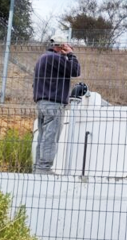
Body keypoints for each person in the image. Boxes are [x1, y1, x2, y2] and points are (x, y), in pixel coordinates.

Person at [33, 34, 81, 174]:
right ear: (61, 46)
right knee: (51, 137)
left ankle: (38, 168)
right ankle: (44, 169)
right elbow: (75, 71)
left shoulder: (43, 58)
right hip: (53, 104)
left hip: (42, 103)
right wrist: (71, 54)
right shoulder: (55, 58)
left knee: (43, 137)